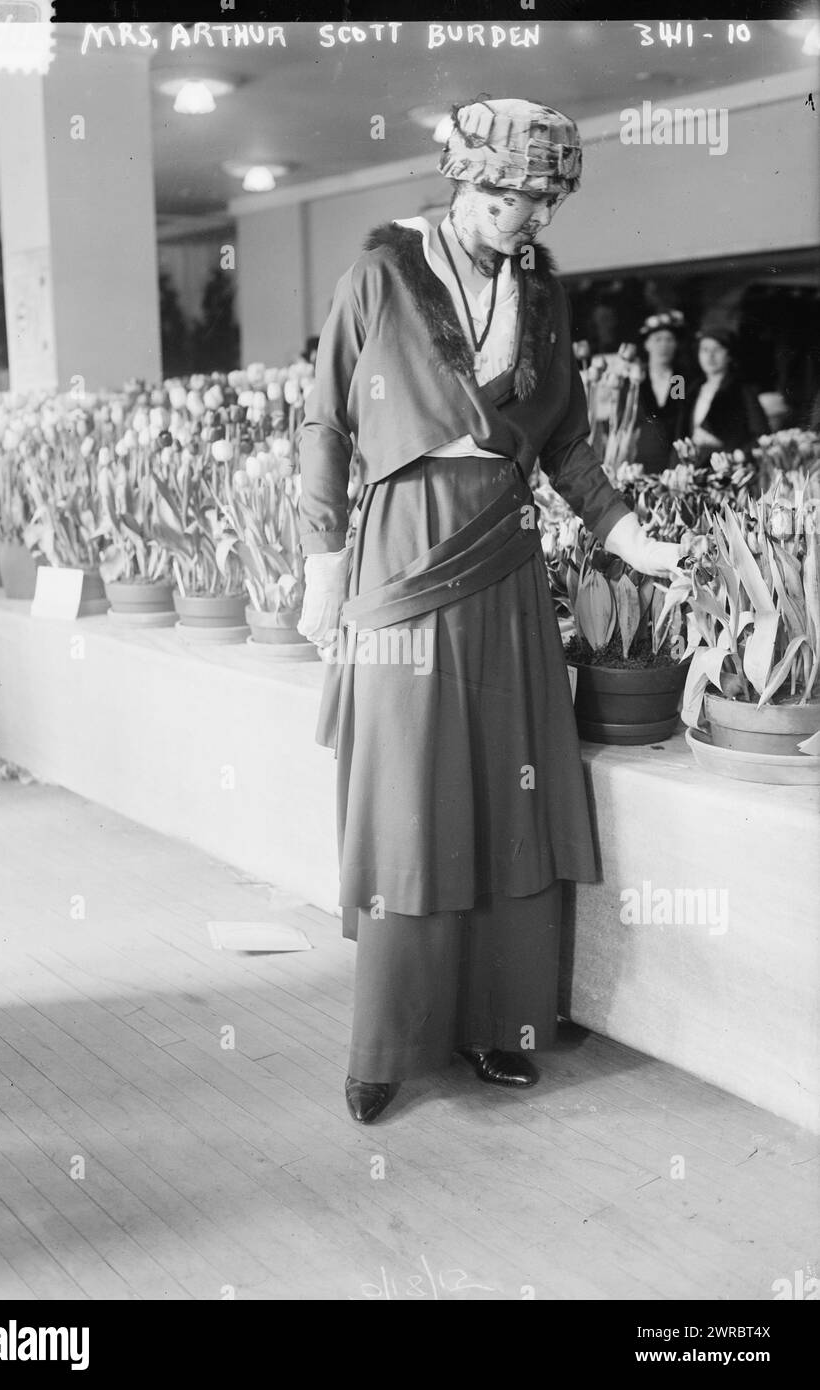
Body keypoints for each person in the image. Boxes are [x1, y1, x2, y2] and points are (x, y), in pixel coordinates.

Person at [296, 96, 682, 1125]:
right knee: (409, 795)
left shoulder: (544, 298)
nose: (528, 220)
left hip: (505, 566)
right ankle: (387, 1041)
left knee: (505, 799)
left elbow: (567, 451)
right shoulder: (381, 272)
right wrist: (322, 565)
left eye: (543, 203)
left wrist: (632, 537)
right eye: (512, 197)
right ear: (465, 178)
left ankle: (500, 1026)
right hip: (403, 546)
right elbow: (327, 422)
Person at [678, 324, 769, 463]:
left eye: (717, 349)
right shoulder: (693, 390)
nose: (710, 356)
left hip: (728, 469)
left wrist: (731, 452)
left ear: (729, 355)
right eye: (705, 350)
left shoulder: (742, 390)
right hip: (695, 469)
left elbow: (762, 435)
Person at [632, 310, 692, 474]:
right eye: (658, 339)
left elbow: (676, 413)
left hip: (670, 457)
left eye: (669, 340)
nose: (663, 345)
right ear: (647, 344)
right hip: (639, 457)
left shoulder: (678, 379)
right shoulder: (636, 378)